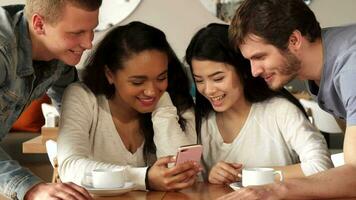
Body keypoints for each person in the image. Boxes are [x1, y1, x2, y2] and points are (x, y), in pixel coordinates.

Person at [220, 0, 356, 199]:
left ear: (294, 40)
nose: (254, 71)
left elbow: (354, 174)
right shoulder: (322, 67)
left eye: (260, 57)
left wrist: (275, 189)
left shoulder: (350, 70)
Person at [57, 21, 200, 192]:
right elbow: (70, 168)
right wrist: (144, 178)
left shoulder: (175, 101)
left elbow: (181, 175)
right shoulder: (83, 97)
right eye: (138, 81)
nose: (151, 91)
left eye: (161, 77)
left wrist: (162, 108)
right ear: (110, 74)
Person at [185, 23, 332, 186]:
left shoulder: (280, 112)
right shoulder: (201, 124)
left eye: (218, 78)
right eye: (199, 80)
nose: (209, 90)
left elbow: (322, 167)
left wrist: (248, 175)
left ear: (244, 71)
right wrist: (211, 179)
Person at [0, 0, 101, 199]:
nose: (89, 44)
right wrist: (31, 188)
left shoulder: (59, 55)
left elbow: (80, 114)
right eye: (77, 33)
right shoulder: (3, 51)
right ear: (39, 24)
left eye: (92, 30)